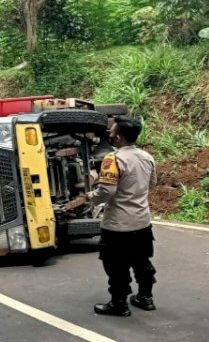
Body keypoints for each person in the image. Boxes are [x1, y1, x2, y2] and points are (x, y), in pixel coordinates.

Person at [65, 116, 157, 317]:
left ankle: (119, 303)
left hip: (117, 225)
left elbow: (106, 191)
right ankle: (145, 297)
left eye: (113, 131)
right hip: (142, 221)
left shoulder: (113, 159)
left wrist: (90, 197)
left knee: (116, 266)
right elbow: (151, 185)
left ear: (120, 136)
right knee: (142, 261)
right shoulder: (147, 157)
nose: (110, 134)